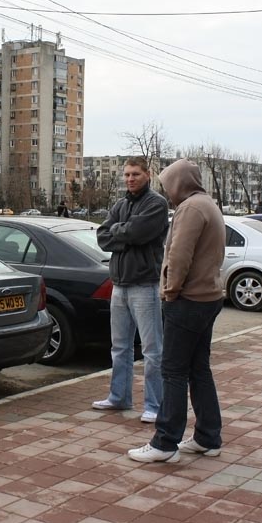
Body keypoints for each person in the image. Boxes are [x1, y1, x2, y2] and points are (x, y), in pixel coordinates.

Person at [128, 158, 226, 464]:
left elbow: (178, 256)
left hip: (187, 301)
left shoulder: (190, 208)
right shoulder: (207, 204)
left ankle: (165, 443)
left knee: (172, 371)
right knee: (198, 369)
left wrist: (170, 293)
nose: (167, 190)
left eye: (168, 184)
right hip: (207, 298)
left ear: (179, 183)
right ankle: (208, 438)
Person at [94, 156, 169, 423]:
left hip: (145, 285)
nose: (130, 179)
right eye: (126, 174)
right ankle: (119, 397)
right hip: (119, 285)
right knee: (119, 347)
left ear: (147, 174)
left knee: (152, 350)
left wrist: (122, 233)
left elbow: (138, 232)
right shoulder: (121, 204)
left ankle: (154, 406)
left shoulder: (156, 204)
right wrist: (125, 234)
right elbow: (103, 236)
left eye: (135, 174)